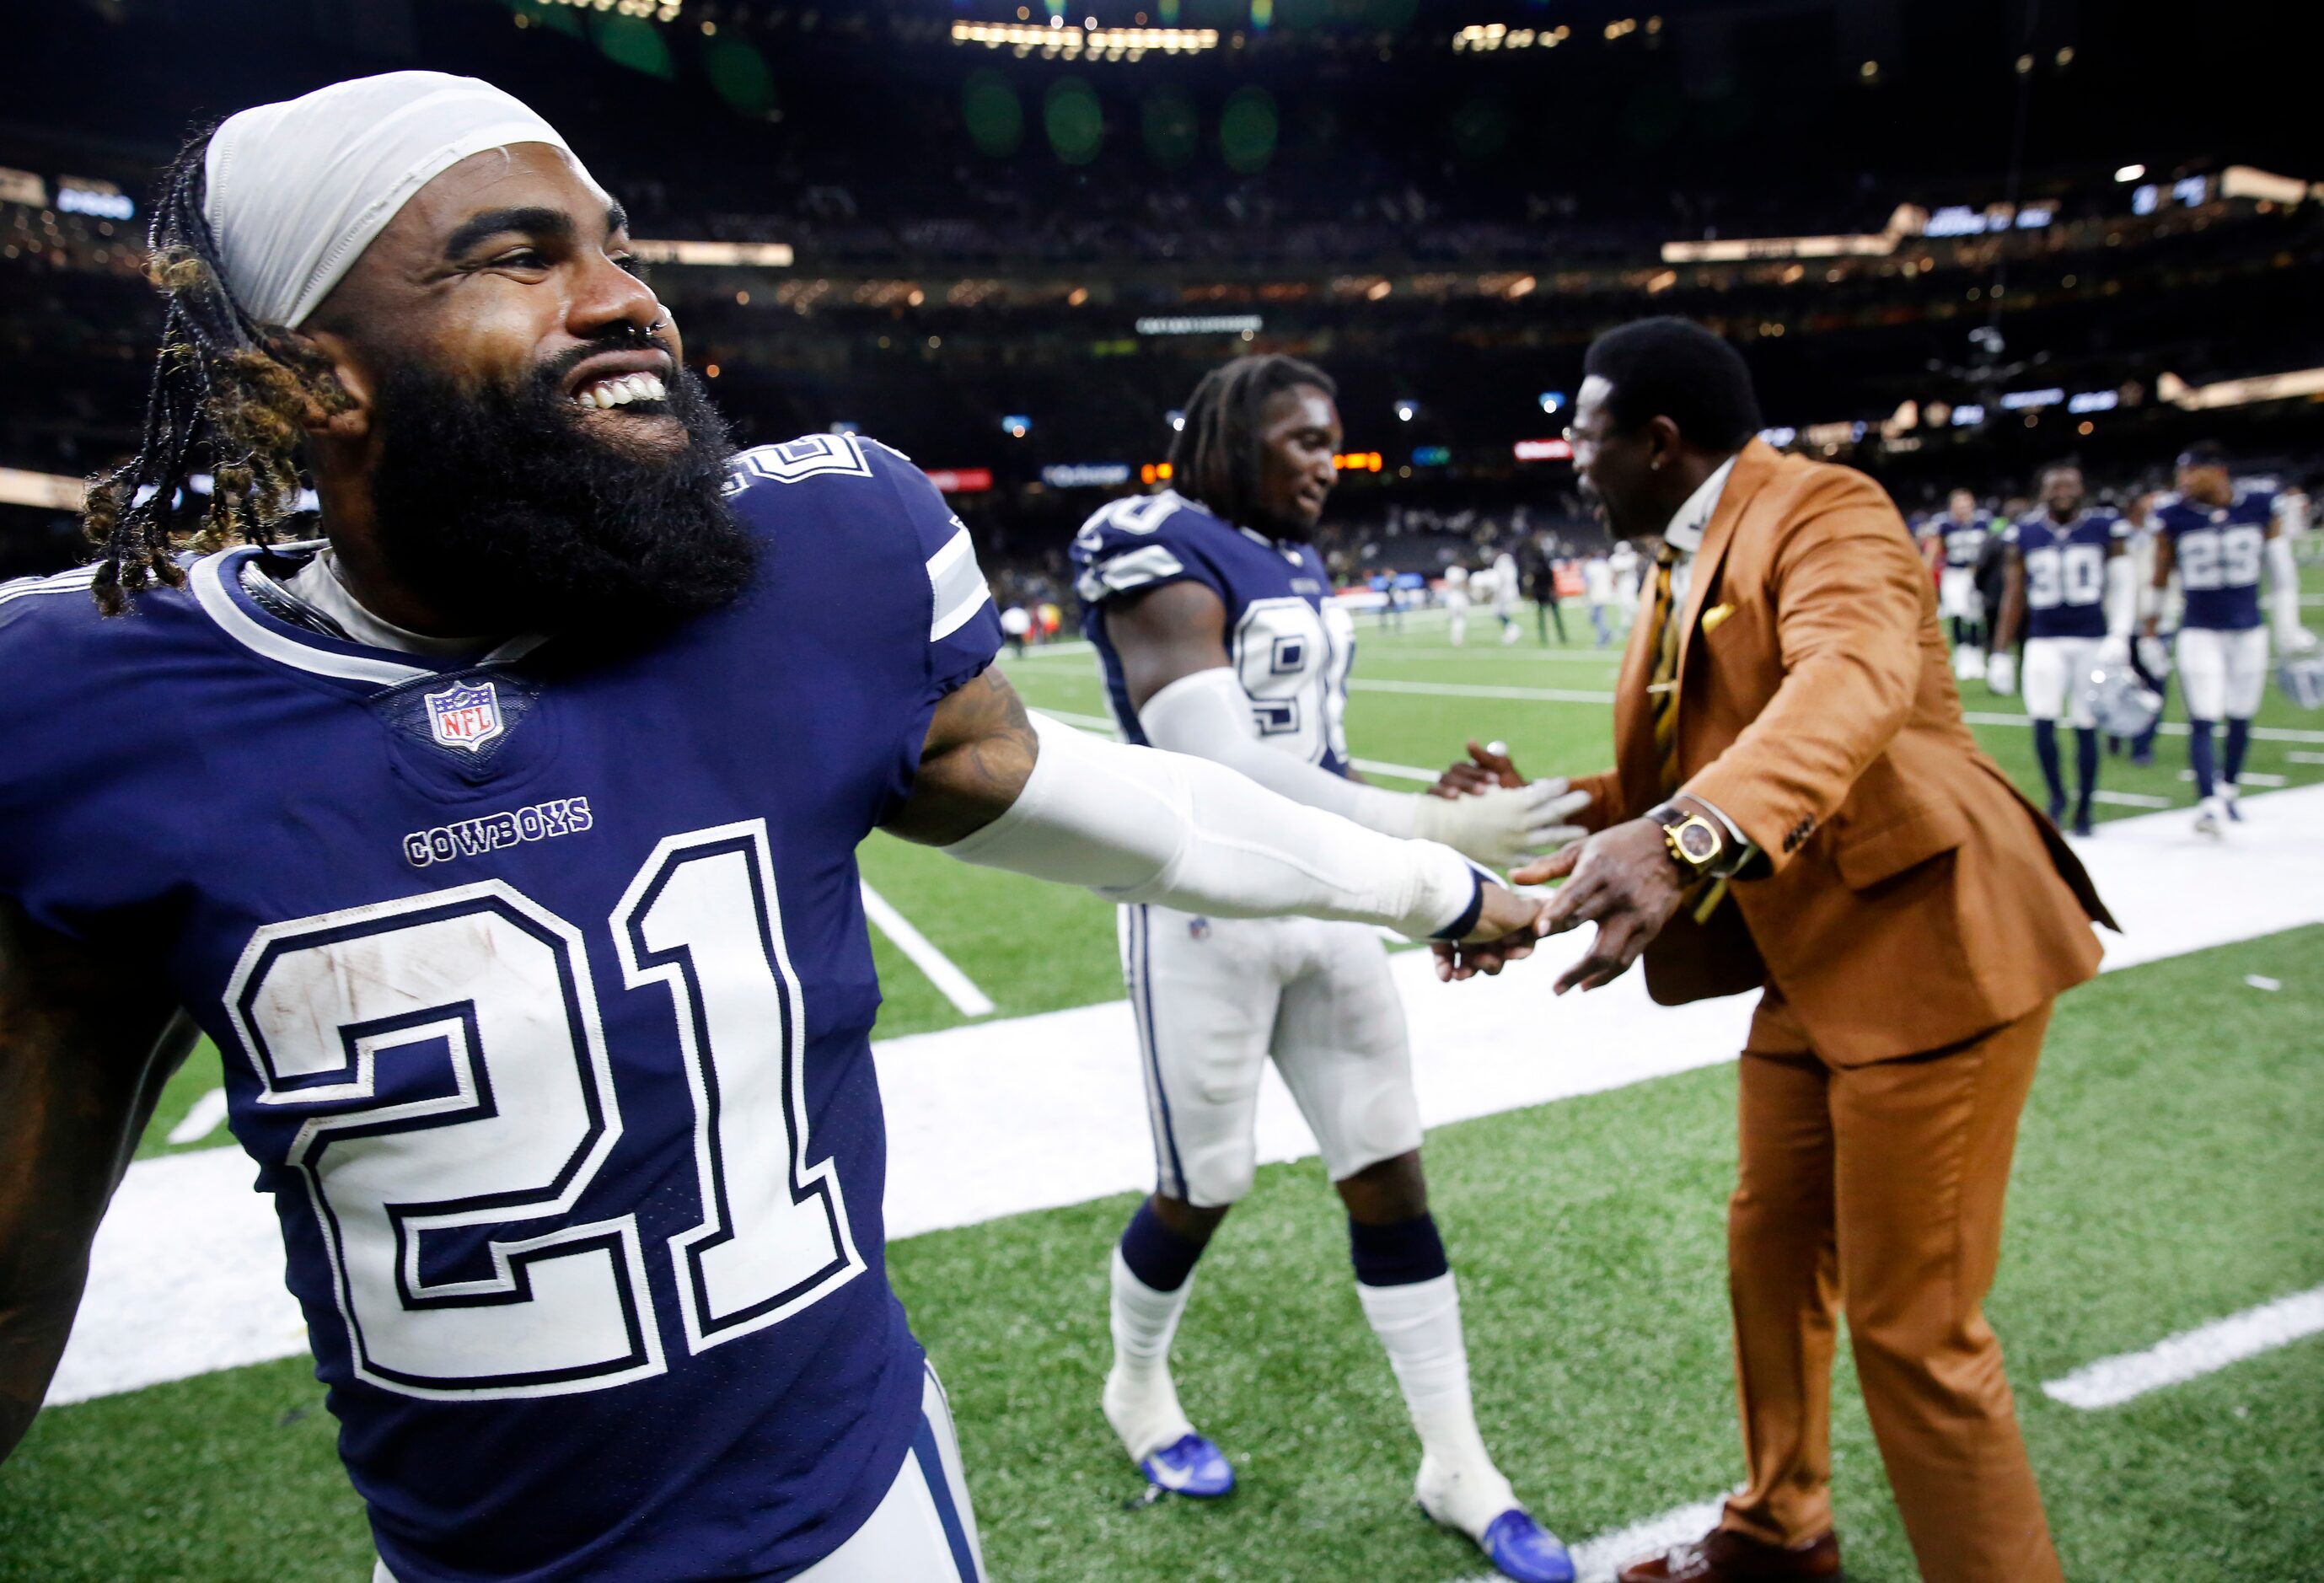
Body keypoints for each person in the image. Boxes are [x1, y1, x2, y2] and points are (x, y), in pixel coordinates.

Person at [0, 76, 1548, 1583]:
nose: (623, 301)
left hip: (854, 1507)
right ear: (312, 376)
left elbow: (1138, 811)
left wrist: (1438, 884)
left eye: (618, 245)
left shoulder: (807, 565)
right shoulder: (96, 709)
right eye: (520, 255)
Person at [1449, 318, 2112, 1583]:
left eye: (1584, 440)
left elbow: (1850, 681)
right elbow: (1681, 776)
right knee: (1771, 1252)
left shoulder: (1825, 507)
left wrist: (1681, 838)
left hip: (1934, 949)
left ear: (1655, 441)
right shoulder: (1677, 554)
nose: (1571, 467)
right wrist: (1532, 817)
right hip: (1817, 957)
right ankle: (1780, 1528)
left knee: (1917, 1331)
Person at [1068, 354, 1587, 1583]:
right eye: (1300, 438)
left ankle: (1456, 1463)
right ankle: (1136, 1391)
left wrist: (1428, 809)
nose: (1323, 462)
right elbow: (1217, 760)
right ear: (1228, 437)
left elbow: (1318, 754)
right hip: (1201, 911)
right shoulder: (1149, 538)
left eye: (1334, 440)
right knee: (1206, 1184)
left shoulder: (1294, 558)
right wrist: (1431, 832)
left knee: (1388, 1170)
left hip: (1328, 901)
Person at [2141, 442, 2317, 835]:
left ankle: (2229, 788)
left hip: (2248, 628)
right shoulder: (2172, 516)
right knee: (2203, 714)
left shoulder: (2259, 506)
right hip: (2199, 629)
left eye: (2191, 472)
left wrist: (2288, 626)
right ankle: (2208, 802)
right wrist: (2149, 630)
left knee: (2241, 714)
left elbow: (2281, 572)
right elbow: (2159, 577)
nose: (2182, 482)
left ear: (2217, 472)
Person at [1988, 462, 2134, 836]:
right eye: (2055, 486)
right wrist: (2001, 650)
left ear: (2082, 488)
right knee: (2043, 719)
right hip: (2044, 638)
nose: (2063, 492)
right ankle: (2056, 798)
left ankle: (2085, 805)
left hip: (2091, 639)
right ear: (2043, 492)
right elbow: (2013, 594)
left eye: (2069, 485)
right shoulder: (2026, 533)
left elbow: (2123, 586)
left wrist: (2119, 634)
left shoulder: (2105, 527)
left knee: (2086, 724)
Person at [1926, 487, 1994, 679]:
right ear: (1952, 507)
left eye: (1966, 504)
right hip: (1955, 573)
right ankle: (1963, 657)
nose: (1963, 509)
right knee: (1956, 613)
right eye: (1959, 504)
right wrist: (1926, 572)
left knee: (1976, 617)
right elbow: (1934, 549)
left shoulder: (1983, 521)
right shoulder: (1944, 524)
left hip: (1978, 574)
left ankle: (1977, 656)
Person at [1530, 549, 1569, 644]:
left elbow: (1534, 584)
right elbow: (1553, 582)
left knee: (1542, 618)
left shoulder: (1536, 569)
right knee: (1556, 617)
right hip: (1550, 595)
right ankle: (1562, 636)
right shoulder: (1548, 568)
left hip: (1541, 596)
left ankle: (1543, 637)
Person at [1492, 546, 1524, 643]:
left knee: (1499, 611)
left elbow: (1501, 578)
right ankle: (1510, 629)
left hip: (1504, 590)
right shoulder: (1508, 560)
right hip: (1509, 589)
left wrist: (1496, 590)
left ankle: (1512, 629)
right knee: (1500, 612)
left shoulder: (1502, 561)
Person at [1582, 553, 1615, 646]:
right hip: (1605, 593)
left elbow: (1588, 582)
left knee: (1596, 617)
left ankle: (1604, 636)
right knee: (1598, 616)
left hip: (1595, 594)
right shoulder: (1604, 565)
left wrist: (1585, 595)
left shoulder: (1589, 567)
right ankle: (1606, 633)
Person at [1443, 559, 1473, 647]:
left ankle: (1455, 637)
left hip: (1451, 597)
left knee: (1455, 619)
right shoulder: (1462, 572)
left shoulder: (1450, 571)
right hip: (1460, 597)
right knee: (1460, 619)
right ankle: (1458, 638)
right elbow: (1464, 584)